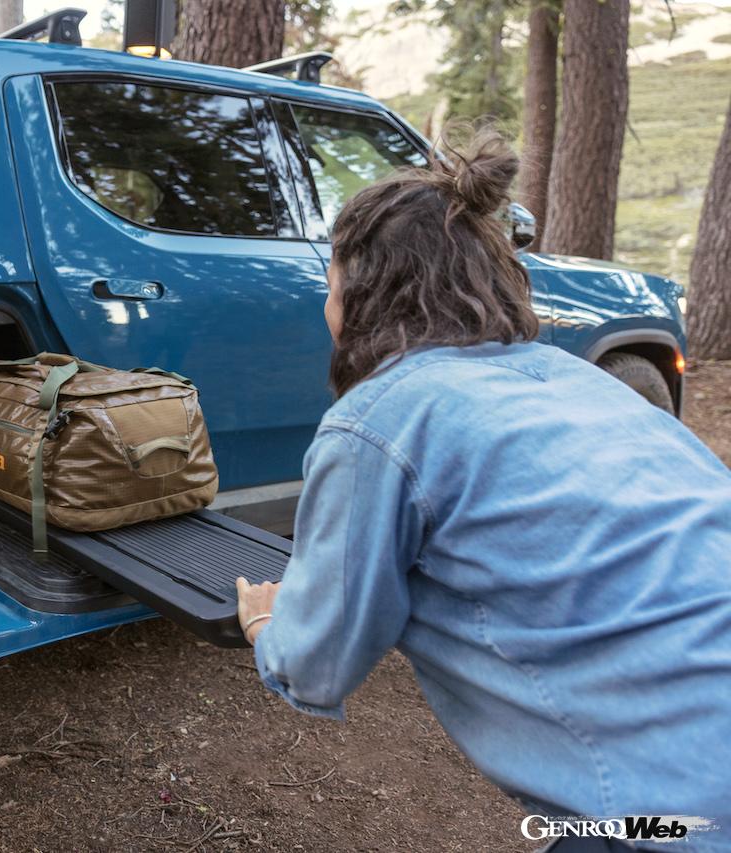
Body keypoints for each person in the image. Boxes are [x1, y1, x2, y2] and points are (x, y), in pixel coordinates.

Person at [235, 131, 731, 852]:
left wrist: (267, 625)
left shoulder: (379, 423)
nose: (327, 304)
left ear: (361, 295)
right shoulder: (583, 381)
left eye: (331, 285)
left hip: (674, 805)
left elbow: (318, 660)